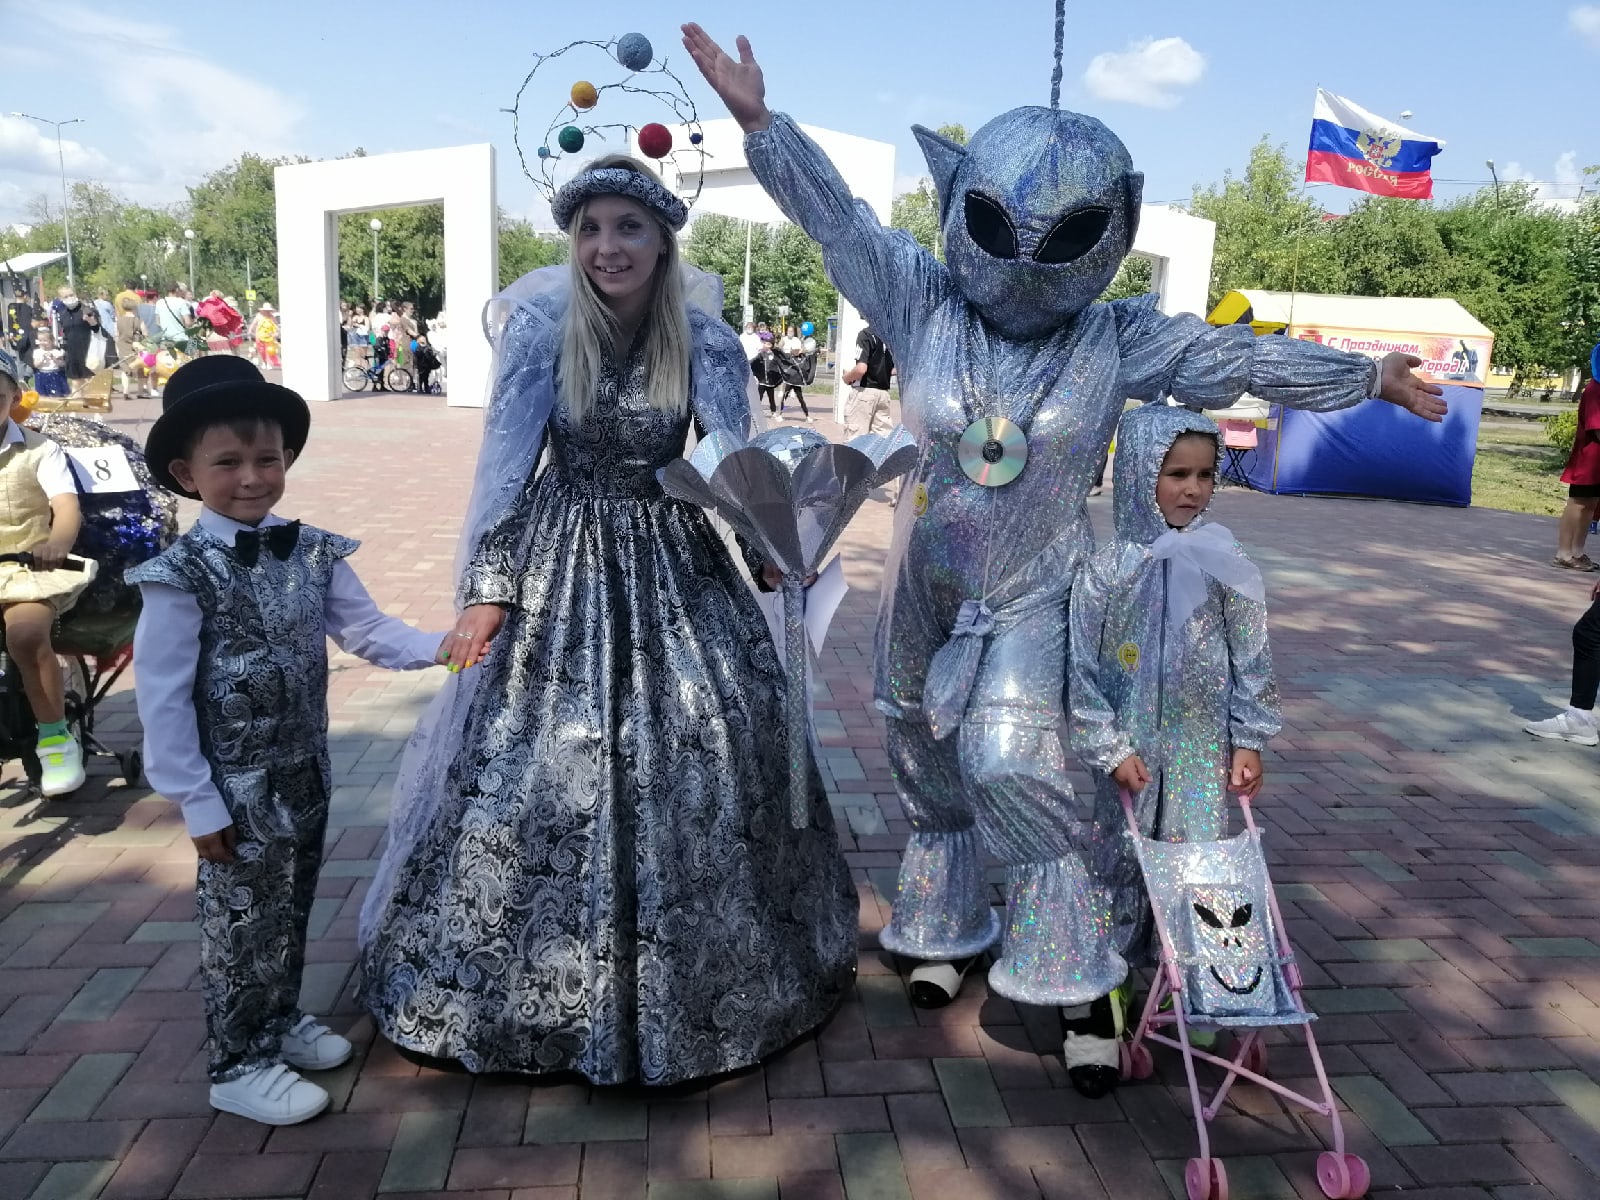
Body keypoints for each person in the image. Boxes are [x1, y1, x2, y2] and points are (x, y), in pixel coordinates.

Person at [683, 23, 1447, 1030]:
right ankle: (944, 918)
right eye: (999, 229)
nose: (1026, 262)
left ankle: (1064, 950)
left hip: (1034, 591)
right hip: (922, 577)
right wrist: (760, 123)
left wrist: (1363, 376)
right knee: (912, 736)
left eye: (1066, 236)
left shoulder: (1113, 337)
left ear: (1112, 230)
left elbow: (1230, 357)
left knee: (1009, 759)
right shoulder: (923, 301)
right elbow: (840, 224)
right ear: (961, 206)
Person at [357, 154, 858, 1085]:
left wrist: (770, 547)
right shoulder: (542, 333)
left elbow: (732, 464)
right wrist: (487, 587)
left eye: (629, 227)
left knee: (711, 736)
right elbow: (505, 473)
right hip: (559, 558)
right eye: (590, 228)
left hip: (675, 558)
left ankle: (719, 981)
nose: (607, 247)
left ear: (663, 241)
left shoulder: (705, 343)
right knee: (538, 758)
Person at [125, 356, 450, 1126]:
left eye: (266, 458)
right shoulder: (178, 575)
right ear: (186, 473)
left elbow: (369, 631)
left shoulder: (312, 551)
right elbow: (161, 698)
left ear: (287, 459)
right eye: (227, 463)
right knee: (241, 917)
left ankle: (277, 1019)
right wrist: (196, 800)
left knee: (292, 900)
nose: (251, 477)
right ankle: (237, 1061)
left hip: (305, 765)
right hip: (232, 783)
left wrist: (445, 646)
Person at [1064, 405, 1278, 1095]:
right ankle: (1109, 993)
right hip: (1129, 761)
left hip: (1198, 755)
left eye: (1205, 475)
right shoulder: (1106, 570)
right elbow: (1082, 673)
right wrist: (1108, 747)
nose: (1192, 489)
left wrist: (1248, 739)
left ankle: (1207, 991)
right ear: (1137, 475)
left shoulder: (1225, 564)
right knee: (1118, 867)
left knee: (1202, 866)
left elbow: (1251, 658)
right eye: (1175, 473)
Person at [0, 348, 96, 796]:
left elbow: (66, 507)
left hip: (25, 569)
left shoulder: (40, 450)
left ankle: (55, 739)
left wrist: (56, 544)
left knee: (25, 634)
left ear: (14, 397)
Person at [1554, 345, 1600, 571]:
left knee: (1590, 505)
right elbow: (1597, 429)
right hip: (1588, 459)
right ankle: (1564, 553)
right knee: (1578, 502)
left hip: (1597, 462)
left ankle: (1578, 552)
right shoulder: (1595, 390)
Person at [842, 323, 894, 435]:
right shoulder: (889, 338)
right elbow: (894, 370)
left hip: (865, 391)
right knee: (881, 438)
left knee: (856, 437)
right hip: (883, 394)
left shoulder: (865, 335)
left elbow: (861, 369)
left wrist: (847, 377)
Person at [56, 287, 96, 381]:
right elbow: (62, 332)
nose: (69, 298)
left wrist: (90, 321)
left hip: (87, 349)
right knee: (75, 380)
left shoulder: (86, 309)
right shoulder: (62, 313)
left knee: (90, 380)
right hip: (71, 351)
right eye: (66, 296)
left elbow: (97, 329)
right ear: (61, 299)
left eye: (71, 295)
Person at [155, 284, 196, 349]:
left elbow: (157, 322)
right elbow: (188, 323)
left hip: (166, 339)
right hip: (181, 339)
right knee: (192, 350)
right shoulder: (181, 302)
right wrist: (194, 323)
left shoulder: (159, 302)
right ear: (177, 290)